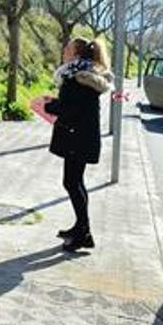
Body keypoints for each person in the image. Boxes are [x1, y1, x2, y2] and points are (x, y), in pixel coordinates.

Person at [44, 38, 113, 252]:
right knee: (75, 182)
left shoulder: (78, 78)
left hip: (78, 138)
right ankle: (81, 228)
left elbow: (69, 110)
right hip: (81, 137)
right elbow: (75, 107)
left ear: (75, 55)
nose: (63, 50)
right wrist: (56, 104)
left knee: (72, 183)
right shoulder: (84, 76)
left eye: (67, 48)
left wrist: (49, 105)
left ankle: (83, 231)